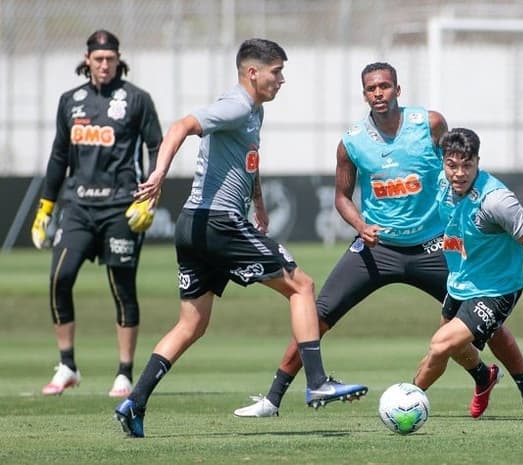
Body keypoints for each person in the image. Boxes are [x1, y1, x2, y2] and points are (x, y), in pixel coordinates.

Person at [234, 62, 523, 420]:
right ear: (364, 94)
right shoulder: (351, 142)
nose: (378, 93)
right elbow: (341, 197)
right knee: (317, 315)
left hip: (433, 249)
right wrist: (360, 224)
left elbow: (457, 165)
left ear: (398, 90)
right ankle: (272, 400)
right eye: (370, 89)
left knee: (483, 321)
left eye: (384, 86)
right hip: (376, 248)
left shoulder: (429, 124)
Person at [113, 38, 368, 438]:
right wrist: (160, 172)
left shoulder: (254, 112)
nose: (282, 80)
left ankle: (135, 401)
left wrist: (259, 202)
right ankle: (317, 381)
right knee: (302, 286)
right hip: (219, 223)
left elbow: (248, 158)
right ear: (253, 72)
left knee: (191, 325)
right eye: (276, 72)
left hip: (193, 225)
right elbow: (181, 126)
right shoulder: (236, 105)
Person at [31, 30, 163, 398]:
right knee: (61, 278)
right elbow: (59, 157)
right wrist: (45, 207)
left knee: (121, 288)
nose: (104, 65)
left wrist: (149, 197)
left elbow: (157, 147)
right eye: (98, 59)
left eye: (110, 59)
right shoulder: (69, 101)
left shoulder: (136, 99)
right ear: (87, 59)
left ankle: (124, 373)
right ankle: (67, 366)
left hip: (121, 207)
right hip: (77, 207)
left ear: (119, 59)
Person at [412, 127, 523, 419]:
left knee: (440, 345)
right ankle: (502, 384)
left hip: (497, 289)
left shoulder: (497, 201)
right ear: (443, 163)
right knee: (464, 345)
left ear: (477, 161)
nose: (459, 173)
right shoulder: (440, 182)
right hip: (461, 282)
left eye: (467, 165)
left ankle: (406, 399)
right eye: (452, 165)